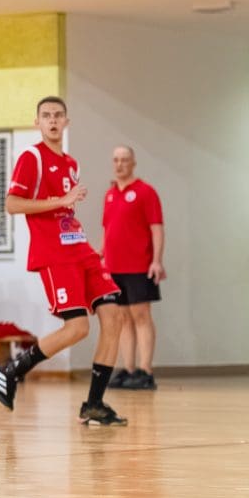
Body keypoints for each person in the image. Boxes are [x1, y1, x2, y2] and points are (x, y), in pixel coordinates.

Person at [0, 96, 127, 426]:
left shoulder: (71, 163)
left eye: (58, 115)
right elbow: (12, 204)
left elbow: (66, 211)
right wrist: (59, 200)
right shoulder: (32, 157)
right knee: (78, 328)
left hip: (80, 249)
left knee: (114, 317)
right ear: (37, 122)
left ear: (66, 122)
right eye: (46, 115)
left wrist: (87, 240)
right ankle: (11, 370)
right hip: (54, 253)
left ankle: (94, 404)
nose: (52, 120)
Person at [101, 146, 165, 391]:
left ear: (133, 163)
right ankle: (128, 369)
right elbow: (108, 230)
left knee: (141, 315)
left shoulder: (145, 192)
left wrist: (156, 260)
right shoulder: (109, 194)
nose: (119, 165)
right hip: (114, 267)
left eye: (124, 160)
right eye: (116, 160)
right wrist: (101, 255)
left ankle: (145, 370)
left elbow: (156, 228)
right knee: (122, 318)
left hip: (139, 265)